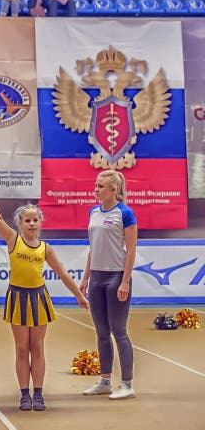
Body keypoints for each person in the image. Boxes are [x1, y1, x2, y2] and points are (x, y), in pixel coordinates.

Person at [0, 199, 89, 411]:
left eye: (35, 220)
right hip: (18, 298)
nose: (32, 223)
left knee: (38, 347)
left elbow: (63, 274)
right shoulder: (12, 239)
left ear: (40, 223)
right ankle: (24, 393)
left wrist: (79, 296)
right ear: (20, 224)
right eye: (27, 220)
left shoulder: (45, 248)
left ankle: (39, 393)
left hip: (38, 298)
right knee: (22, 348)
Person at [80, 170, 137, 400]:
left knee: (118, 331)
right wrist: (85, 279)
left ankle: (127, 383)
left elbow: (131, 249)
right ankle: (105, 380)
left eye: (101, 186)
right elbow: (93, 248)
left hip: (116, 277)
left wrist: (124, 281)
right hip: (96, 277)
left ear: (114, 190)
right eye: (95, 185)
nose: (96, 190)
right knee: (101, 332)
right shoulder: (93, 212)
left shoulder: (125, 213)